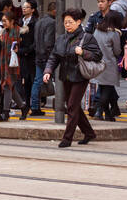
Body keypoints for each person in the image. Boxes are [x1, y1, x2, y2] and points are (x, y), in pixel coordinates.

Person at [42, 8, 99, 148]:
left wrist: (84, 52)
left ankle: (67, 139)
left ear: (78, 22)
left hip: (80, 76)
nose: (67, 25)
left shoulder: (87, 38)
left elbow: (98, 55)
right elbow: (54, 56)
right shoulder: (61, 38)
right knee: (73, 107)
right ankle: (89, 133)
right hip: (66, 76)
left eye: (70, 22)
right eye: (65, 22)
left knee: (72, 106)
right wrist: (48, 71)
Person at [91, 9, 124, 121]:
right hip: (109, 65)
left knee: (104, 88)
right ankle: (97, 109)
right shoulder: (114, 34)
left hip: (98, 64)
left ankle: (109, 114)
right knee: (107, 90)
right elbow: (117, 51)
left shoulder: (97, 31)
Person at [30, 2, 57, 115]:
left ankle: (35, 106)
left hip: (38, 55)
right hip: (48, 56)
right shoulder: (52, 22)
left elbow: (36, 40)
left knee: (37, 81)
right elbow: (48, 42)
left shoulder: (39, 21)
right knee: (60, 81)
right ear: (55, 10)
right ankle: (60, 105)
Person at [0, 10, 21, 120]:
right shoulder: (4, 32)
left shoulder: (18, 32)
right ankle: (23, 106)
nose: (3, 23)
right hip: (5, 63)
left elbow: (22, 47)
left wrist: (19, 50)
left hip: (14, 64)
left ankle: (6, 112)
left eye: (5, 21)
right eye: (2, 21)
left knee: (7, 86)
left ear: (12, 21)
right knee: (10, 87)